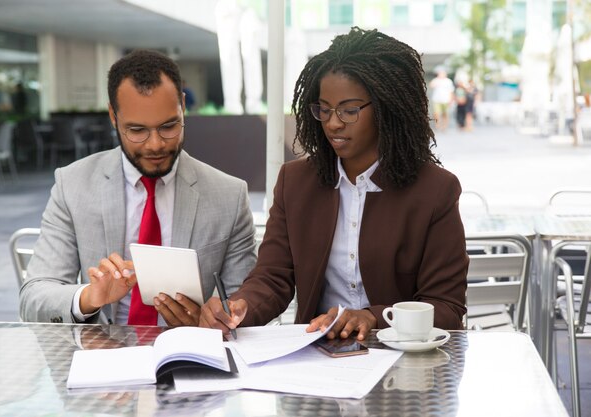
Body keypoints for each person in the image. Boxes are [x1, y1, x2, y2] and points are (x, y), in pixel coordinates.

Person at [200, 27, 468, 341]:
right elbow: (273, 278)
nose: (333, 122)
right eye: (323, 109)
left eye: (349, 110)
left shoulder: (435, 190)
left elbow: (446, 306)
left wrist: (372, 316)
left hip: (402, 358)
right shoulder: (295, 182)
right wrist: (241, 305)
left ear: (387, 108)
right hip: (317, 355)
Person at [20, 49, 257, 326]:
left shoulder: (229, 195)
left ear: (183, 106)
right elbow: (33, 298)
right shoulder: (73, 185)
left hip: (190, 357)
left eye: (169, 126)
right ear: (113, 116)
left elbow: (245, 301)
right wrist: (88, 297)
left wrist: (214, 319)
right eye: (137, 130)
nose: (155, 144)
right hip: (100, 358)